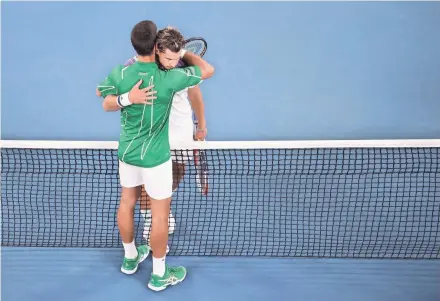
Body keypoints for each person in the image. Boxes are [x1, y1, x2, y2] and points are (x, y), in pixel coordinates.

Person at [97, 20, 214, 291]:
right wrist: (183, 53)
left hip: (128, 153)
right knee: (160, 214)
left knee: (127, 202)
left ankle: (129, 258)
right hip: (157, 155)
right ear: (158, 48)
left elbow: (103, 99)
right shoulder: (171, 77)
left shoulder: (124, 72)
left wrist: (128, 98)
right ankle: (159, 274)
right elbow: (207, 71)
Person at [123, 27, 208, 245]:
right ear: (157, 49)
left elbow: (195, 93)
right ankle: (151, 219)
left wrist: (201, 125)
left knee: (176, 173)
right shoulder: (136, 66)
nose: (171, 62)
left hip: (180, 132)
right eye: (168, 57)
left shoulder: (182, 67)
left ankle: (159, 210)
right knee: (146, 182)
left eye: (175, 57)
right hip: (151, 136)